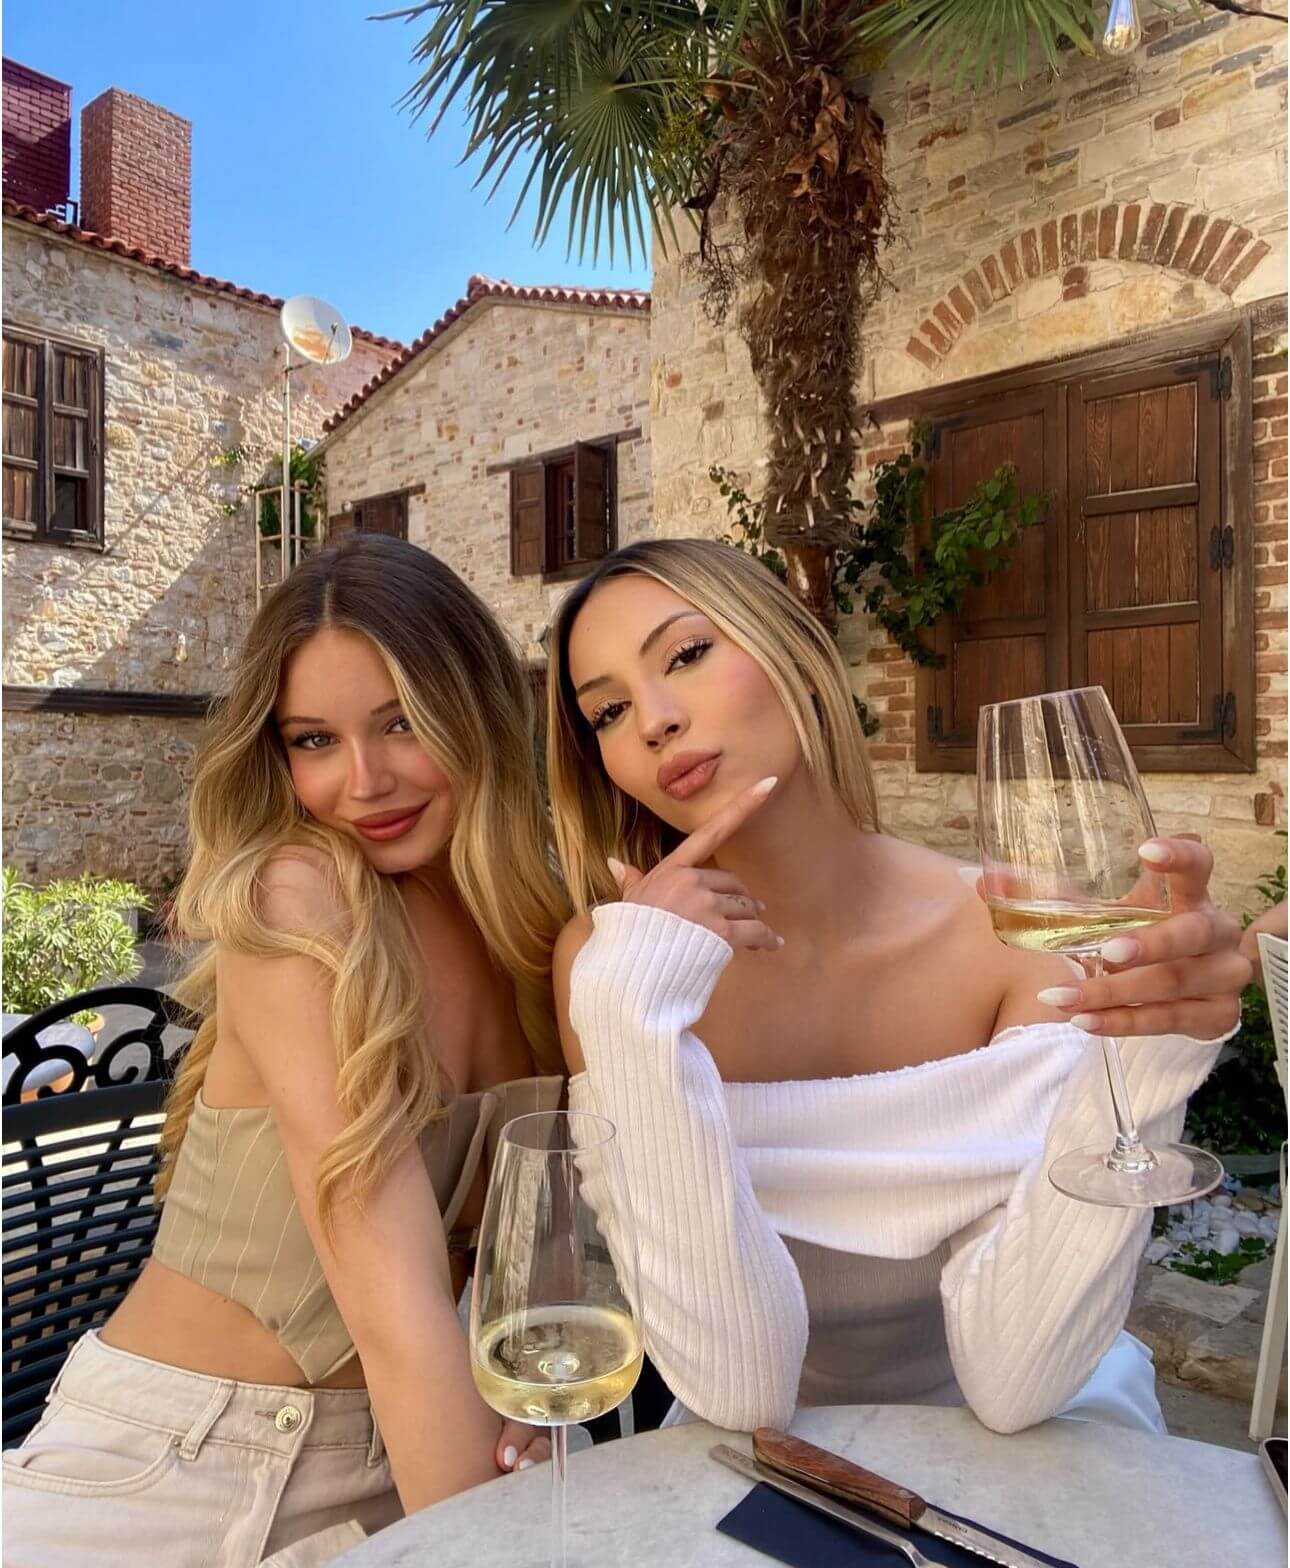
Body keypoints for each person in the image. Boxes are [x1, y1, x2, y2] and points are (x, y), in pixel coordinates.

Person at [545, 537, 1252, 1437]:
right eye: (607, 712)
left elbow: (1017, 1379)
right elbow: (739, 1392)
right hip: (757, 1450)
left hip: (1046, 1432)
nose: (653, 721)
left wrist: (1148, 1054)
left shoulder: (1015, 929)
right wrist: (635, 1013)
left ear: (796, 653)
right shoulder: (613, 968)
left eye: (686, 654)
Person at [3, 536, 568, 1567]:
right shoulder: (299, 900)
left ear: (478, 709)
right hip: (175, 1465)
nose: (366, 780)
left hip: (408, 1454)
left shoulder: (541, 943)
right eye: (315, 739)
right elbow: (395, 1310)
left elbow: (551, 1279)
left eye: (402, 721)